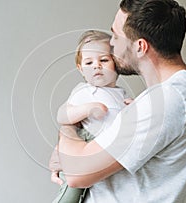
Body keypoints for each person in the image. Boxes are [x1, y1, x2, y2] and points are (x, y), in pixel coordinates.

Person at [50, 0, 186, 202]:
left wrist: (67, 126)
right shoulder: (173, 94)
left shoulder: (166, 100)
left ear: (140, 46)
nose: (111, 44)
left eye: (116, 35)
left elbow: (76, 174)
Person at [51, 30, 132, 203]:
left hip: (105, 150)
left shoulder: (120, 93)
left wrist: (132, 107)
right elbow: (62, 115)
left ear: (116, 63)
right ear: (81, 69)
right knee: (71, 192)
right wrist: (87, 109)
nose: (97, 65)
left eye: (104, 60)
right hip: (86, 141)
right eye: (89, 62)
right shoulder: (84, 91)